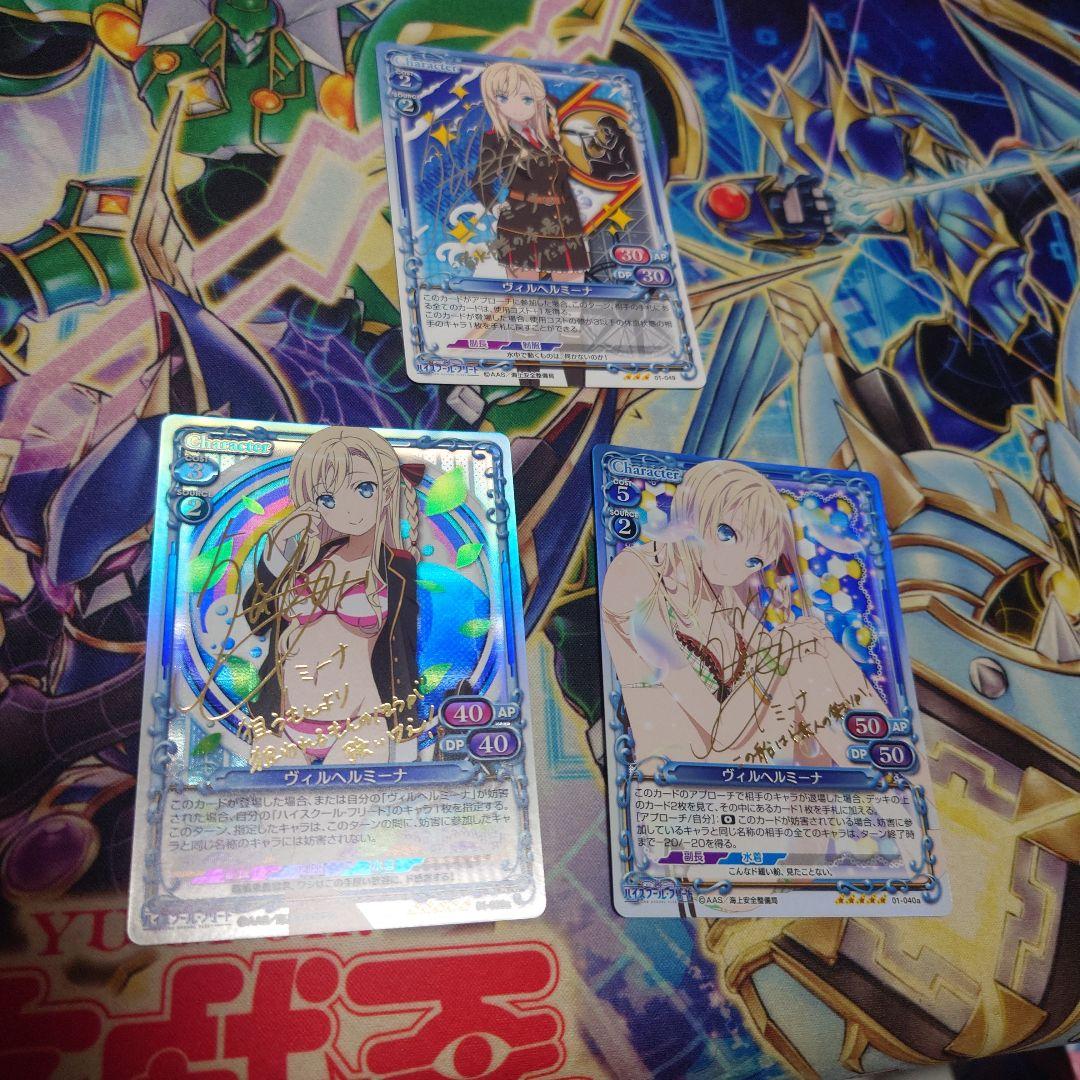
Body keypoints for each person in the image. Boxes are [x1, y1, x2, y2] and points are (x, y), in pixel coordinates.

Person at [601, 460, 883, 766]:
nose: (731, 566)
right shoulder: (635, 573)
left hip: (753, 760)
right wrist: (786, 646)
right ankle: (892, 777)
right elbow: (719, 729)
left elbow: (772, 663)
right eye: (727, 533)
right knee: (803, 656)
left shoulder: (721, 590)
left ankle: (893, 773)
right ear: (692, 511)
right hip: (685, 768)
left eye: (753, 561)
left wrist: (795, 639)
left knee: (815, 649)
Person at [244, 427, 428, 765]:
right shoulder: (305, 558)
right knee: (269, 798)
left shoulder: (397, 567)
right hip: (281, 721)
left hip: (362, 722)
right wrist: (276, 549)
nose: (348, 509)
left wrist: (407, 722)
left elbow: (405, 647)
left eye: (364, 489)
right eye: (327, 499)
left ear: (387, 490)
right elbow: (256, 623)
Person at [473, 60, 589, 282]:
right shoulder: (496, 140)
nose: (516, 107)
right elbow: (479, 182)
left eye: (526, 99)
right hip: (521, 223)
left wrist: (577, 225)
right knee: (525, 294)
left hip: (564, 222)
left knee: (573, 291)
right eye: (503, 98)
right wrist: (495, 206)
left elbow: (564, 183)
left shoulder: (552, 138)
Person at [584, 116, 637, 183]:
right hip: (620, 164)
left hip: (627, 167)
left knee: (603, 169)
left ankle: (596, 184)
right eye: (602, 130)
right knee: (593, 163)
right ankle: (594, 183)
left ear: (610, 127)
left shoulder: (619, 136)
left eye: (604, 129)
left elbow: (610, 148)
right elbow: (610, 156)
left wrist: (596, 138)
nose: (603, 133)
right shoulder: (614, 137)